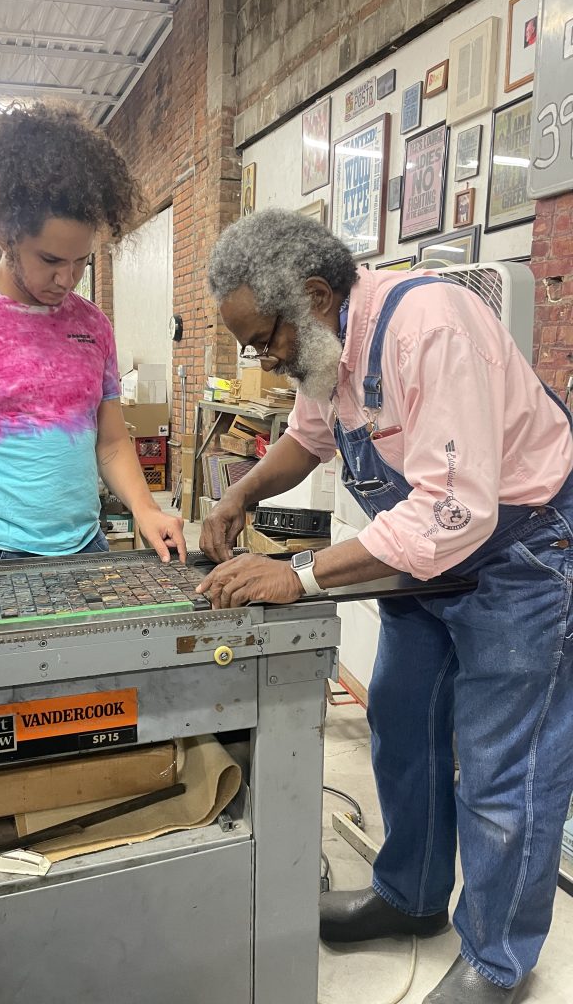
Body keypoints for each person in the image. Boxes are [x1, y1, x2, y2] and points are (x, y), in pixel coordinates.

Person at [197, 208, 573, 1004]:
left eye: (267, 339)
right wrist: (240, 493)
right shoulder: (328, 349)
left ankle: (497, 961)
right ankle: (410, 898)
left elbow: (452, 510)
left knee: (507, 767)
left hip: (522, 555)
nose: (262, 358)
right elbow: (311, 437)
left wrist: (297, 573)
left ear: (315, 294)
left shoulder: (427, 327)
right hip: (430, 565)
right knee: (401, 725)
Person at [0, 102, 185, 589]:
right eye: (50, 259)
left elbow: (110, 443)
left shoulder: (92, 324)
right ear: (6, 234)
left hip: (87, 549)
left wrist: (145, 508)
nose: (67, 278)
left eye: (81, 261)